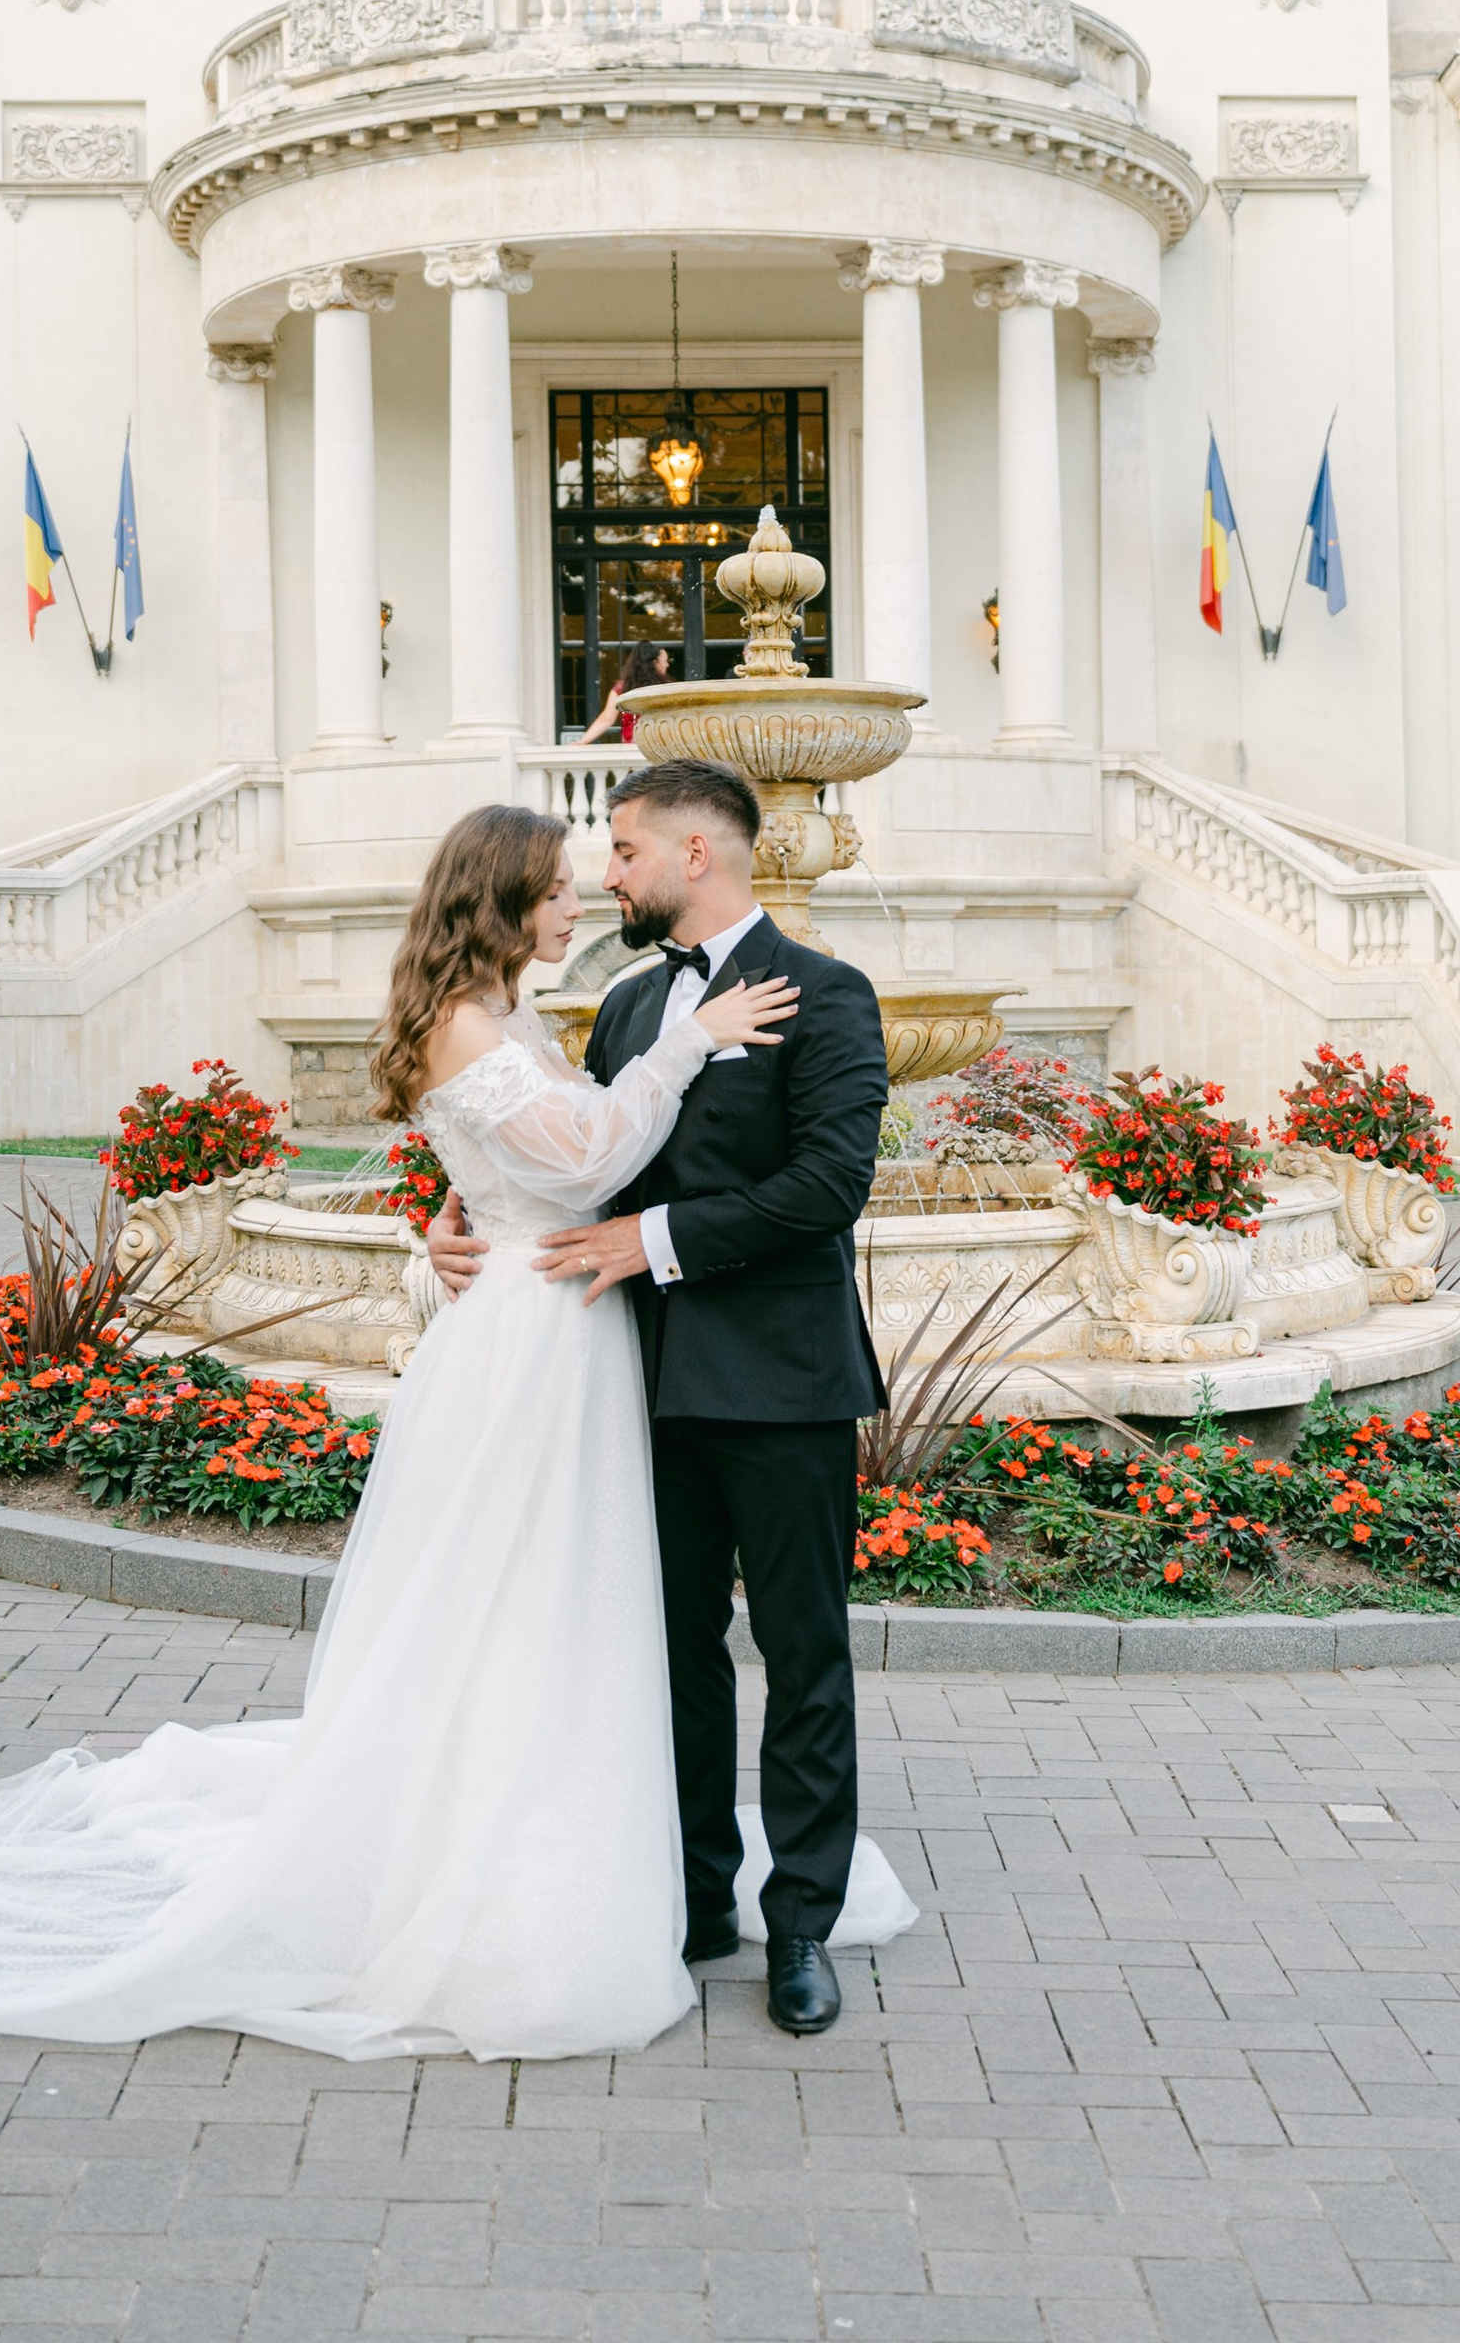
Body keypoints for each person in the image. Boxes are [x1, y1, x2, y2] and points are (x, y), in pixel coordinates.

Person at [0, 804, 844, 2063]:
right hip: (541, 1349)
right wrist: (680, 1049)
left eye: (608, 864)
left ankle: (719, 1894)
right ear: (502, 897)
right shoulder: (597, 1015)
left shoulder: (613, 1007)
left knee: (619, 1616)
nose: (586, 892)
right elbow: (585, 1159)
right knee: (534, 1609)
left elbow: (660, 1171)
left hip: (627, 1346)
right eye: (558, 883)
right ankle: (579, 1885)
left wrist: (453, 1229)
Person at [429, 757, 896, 2040]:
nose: (608, 872)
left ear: (697, 853)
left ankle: (801, 1921)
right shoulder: (631, 1005)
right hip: (629, 1382)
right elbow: (571, 1160)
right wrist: (452, 1214)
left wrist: (659, 1241)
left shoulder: (831, 994)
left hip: (784, 1385)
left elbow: (827, 1185)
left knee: (801, 1654)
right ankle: (696, 1903)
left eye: (626, 849)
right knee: (671, 1652)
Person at [582, 635, 671, 744]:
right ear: (655, 663)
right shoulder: (667, 689)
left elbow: (607, 718)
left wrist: (583, 741)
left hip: (632, 746)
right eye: (665, 661)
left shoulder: (622, 688)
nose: (667, 665)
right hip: (662, 746)